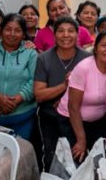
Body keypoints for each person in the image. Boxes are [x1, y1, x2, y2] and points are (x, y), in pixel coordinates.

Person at [34, 17, 90, 170]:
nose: (66, 35)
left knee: (79, 159)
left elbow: (92, 91)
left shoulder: (86, 58)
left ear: (77, 34)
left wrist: (66, 100)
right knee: (52, 158)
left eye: (71, 31)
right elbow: (39, 94)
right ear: (54, 34)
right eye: (61, 31)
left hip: (78, 118)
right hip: (50, 117)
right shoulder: (43, 59)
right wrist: (66, 86)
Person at [57, 31, 106, 160]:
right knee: (76, 160)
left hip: (98, 122)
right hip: (71, 120)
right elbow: (73, 107)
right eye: (104, 45)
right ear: (95, 48)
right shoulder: (83, 68)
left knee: (99, 161)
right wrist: (81, 140)